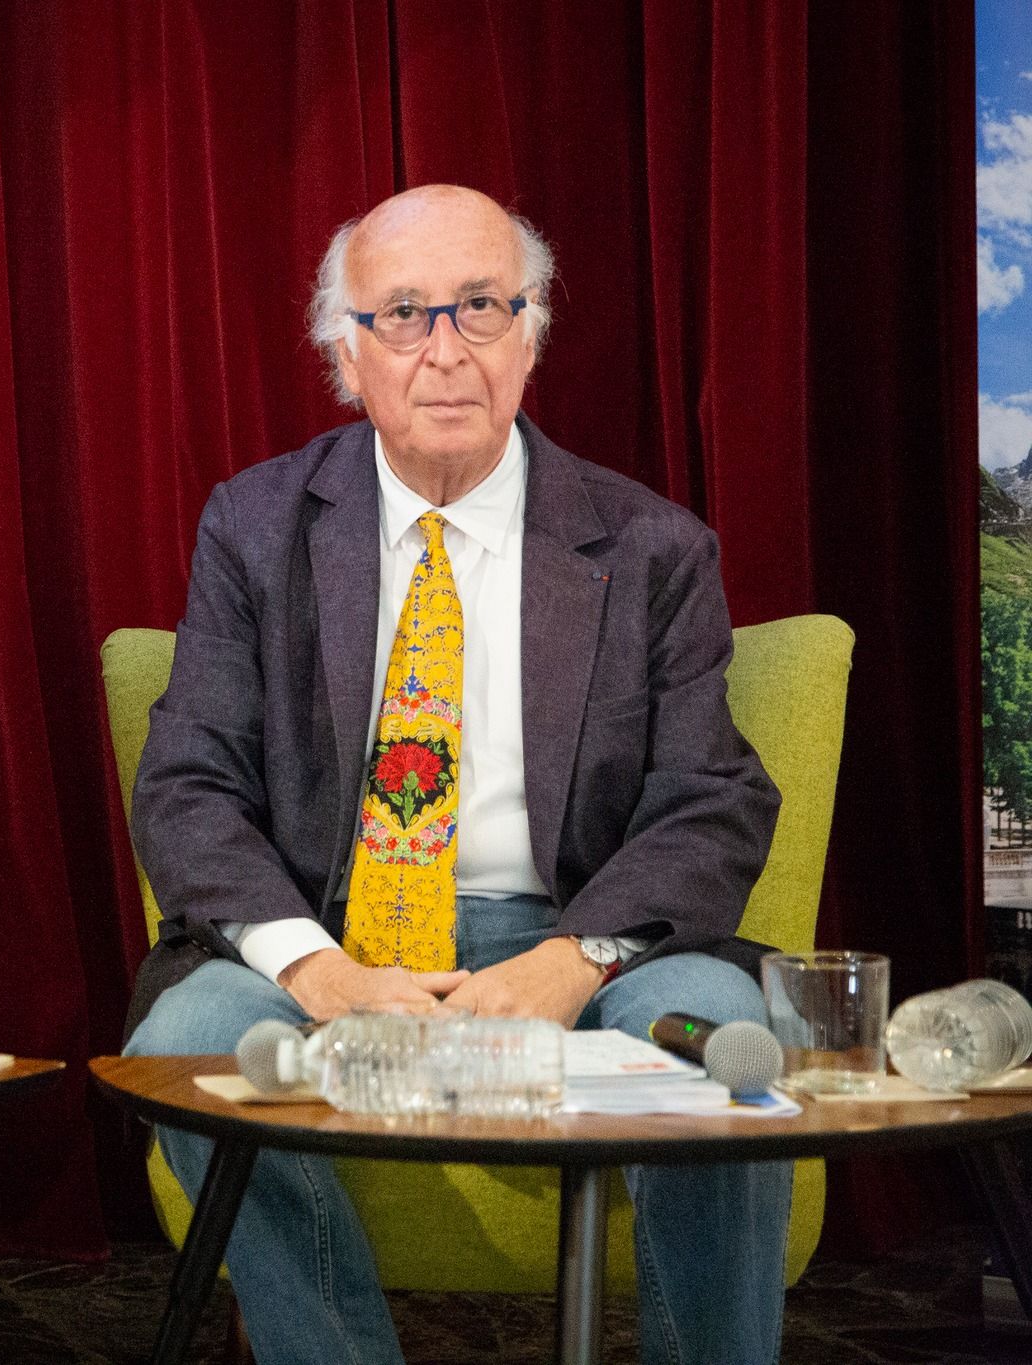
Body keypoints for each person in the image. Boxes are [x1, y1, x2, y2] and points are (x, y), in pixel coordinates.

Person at [122, 184, 791, 1365]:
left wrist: (568, 961)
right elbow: (186, 783)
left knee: (729, 1043)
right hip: (327, 936)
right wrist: (318, 972)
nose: (444, 352)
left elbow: (712, 795)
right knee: (188, 1034)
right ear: (345, 350)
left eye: (479, 306)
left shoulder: (650, 548)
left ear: (529, 334)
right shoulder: (253, 524)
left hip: (578, 937)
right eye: (403, 314)